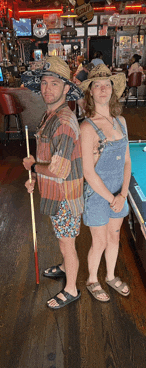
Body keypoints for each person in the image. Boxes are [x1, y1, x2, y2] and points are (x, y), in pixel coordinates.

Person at [21, 56, 84, 309]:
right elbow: (48, 157)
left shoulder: (64, 122)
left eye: (55, 84)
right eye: (44, 83)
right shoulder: (49, 116)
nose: (48, 89)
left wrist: (33, 166)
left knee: (67, 243)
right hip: (53, 192)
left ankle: (71, 289)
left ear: (67, 88)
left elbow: (59, 170)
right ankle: (63, 266)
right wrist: (35, 178)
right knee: (62, 239)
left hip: (65, 195)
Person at [79, 64, 131, 301]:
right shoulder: (87, 128)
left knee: (114, 237)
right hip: (99, 195)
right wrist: (112, 199)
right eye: (96, 85)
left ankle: (110, 276)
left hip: (118, 194)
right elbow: (88, 173)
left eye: (106, 85)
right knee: (98, 241)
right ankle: (92, 279)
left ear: (112, 89)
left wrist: (123, 194)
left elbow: (127, 162)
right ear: (90, 92)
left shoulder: (121, 121)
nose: (102, 89)